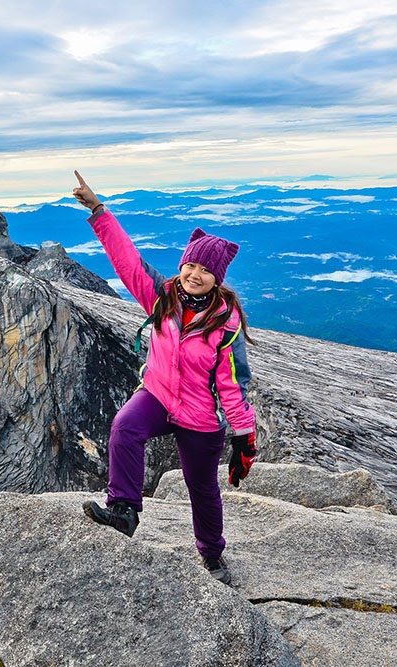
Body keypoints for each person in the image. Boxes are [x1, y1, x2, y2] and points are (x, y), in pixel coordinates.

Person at [72, 170, 258, 585]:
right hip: (157, 395)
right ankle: (124, 510)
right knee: (124, 426)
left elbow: (232, 384)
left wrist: (244, 436)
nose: (194, 273)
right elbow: (126, 261)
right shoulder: (162, 297)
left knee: (202, 489)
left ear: (217, 279)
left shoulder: (225, 324)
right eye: (190, 264)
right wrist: (99, 210)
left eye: (204, 270)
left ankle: (212, 555)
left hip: (199, 414)